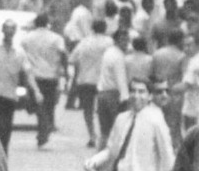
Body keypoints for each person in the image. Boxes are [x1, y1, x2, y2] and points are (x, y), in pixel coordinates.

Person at [0, 17, 33, 153]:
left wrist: (35, 91)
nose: (9, 32)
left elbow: (27, 72)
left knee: (7, 128)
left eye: (12, 29)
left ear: (15, 31)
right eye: (7, 28)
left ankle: (3, 154)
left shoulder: (19, 53)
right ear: (3, 30)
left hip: (10, 95)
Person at [22, 13, 68, 148]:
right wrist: (65, 71)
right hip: (51, 76)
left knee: (38, 105)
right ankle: (45, 127)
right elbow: (63, 54)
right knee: (48, 104)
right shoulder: (56, 38)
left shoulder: (27, 39)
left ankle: (44, 128)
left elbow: (22, 56)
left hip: (34, 76)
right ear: (48, 23)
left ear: (35, 23)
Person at [70, 18, 113, 147]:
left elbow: (72, 59)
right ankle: (104, 135)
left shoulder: (84, 42)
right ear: (105, 28)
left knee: (87, 110)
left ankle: (92, 135)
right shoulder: (109, 42)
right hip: (104, 81)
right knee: (102, 110)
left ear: (92, 28)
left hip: (85, 80)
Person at [96, 27, 132, 144]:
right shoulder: (118, 57)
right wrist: (125, 99)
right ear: (116, 40)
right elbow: (121, 79)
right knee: (118, 132)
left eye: (127, 40)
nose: (126, 43)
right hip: (114, 95)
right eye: (123, 40)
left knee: (105, 132)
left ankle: (99, 159)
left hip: (102, 94)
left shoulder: (108, 52)